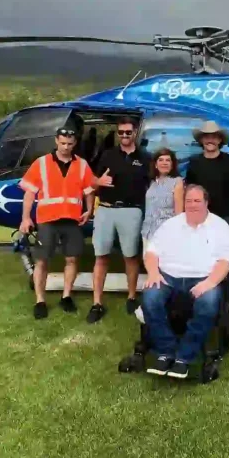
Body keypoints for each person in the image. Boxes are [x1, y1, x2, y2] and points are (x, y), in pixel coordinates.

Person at [141, 184, 229, 379]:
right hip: (168, 277)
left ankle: (184, 357)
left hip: (203, 278)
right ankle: (166, 351)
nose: (192, 205)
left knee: (209, 303)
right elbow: (151, 251)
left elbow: (226, 261)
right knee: (150, 298)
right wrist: (152, 272)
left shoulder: (220, 226)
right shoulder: (171, 224)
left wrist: (210, 283)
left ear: (206, 202)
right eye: (189, 201)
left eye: (197, 201)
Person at [18, 126, 95, 319]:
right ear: (56, 141)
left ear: (75, 143)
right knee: (42, 261)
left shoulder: (82, 164)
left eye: (70, 144)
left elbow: (89, 190)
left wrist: (89, 210)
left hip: (72, 219)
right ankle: (40, 301)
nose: (66, 147)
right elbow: (29, 192)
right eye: (62, 143)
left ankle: (66, 296)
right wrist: (26, 218)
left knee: (72, 259)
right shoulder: (41, 163)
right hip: (47, 220)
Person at [90, 116, 151, 321]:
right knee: (101, 256)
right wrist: (98, 181)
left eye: (128, 132)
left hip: (132, 211)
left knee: (130, 256)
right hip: (106, 210)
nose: (124, 135)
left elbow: (152, 187)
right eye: (121, 132)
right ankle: (97, 302)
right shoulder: (107, 155)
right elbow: (92, 183)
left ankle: (132, 296)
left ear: (135, 133)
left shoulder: (145, 157)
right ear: (117, 134)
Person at [185, 121, 229, 225]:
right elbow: (189, 188)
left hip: (225, 216)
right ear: (201, 140)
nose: (210, 140)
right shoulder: (194, 162)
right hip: (200, 214)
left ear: (219, 140)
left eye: (214, 137)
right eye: (206, 137)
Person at [141, 147, 184, 249]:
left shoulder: (177, 182)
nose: (164, 163)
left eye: (168, 160)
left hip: (166, 232)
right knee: (149, 263)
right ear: (155, 164)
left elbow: (179, 213)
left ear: (172, 164)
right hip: (148, 231)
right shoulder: (151, 183)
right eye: (161, 160)